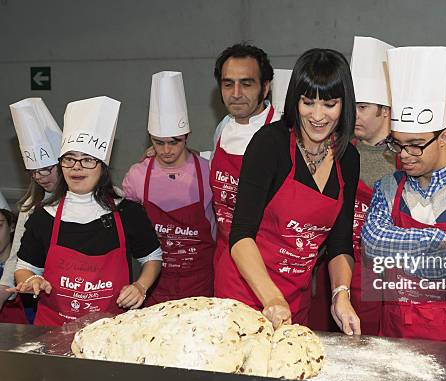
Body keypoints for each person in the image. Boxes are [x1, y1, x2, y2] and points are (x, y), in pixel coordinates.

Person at [361, 46, 446, 380]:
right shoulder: (387, 186)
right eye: (398, 143)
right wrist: (439, 238)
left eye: (416, 144)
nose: (404, 155)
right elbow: (372, 244)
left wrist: (400, 251)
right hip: (395, 342)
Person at [215, 48, 361, 335]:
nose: (317, 116)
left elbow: (341, 242)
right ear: (295, 101)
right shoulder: (271, 144)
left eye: (329, 104)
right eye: (308, 103)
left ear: (345, 105)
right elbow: (241, 234)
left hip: (295, 296)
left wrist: (340, 294)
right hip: (246, 292)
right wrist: (270, 297)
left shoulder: (347, 158)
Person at [9, 96, 162, 327]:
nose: (77, 167)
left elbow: (152, 257)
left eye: (88, 160)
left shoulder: (127, 212)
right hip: (52, 331)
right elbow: (25, 267)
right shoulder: (43, 216)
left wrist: (140, 286)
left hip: (109, 332)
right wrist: (31, 280)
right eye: (69, 160)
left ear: (103, 166)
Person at [123, 71, 215, 305]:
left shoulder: (208, 171)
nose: (166, 150)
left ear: (187, 136)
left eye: (174, 142)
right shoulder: (137, 176)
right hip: (154, 285)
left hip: (201, 283)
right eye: (158, 142)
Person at [209, 44, 282, 293]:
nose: (236, 93)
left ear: (265, 86)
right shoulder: (222, 129)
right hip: (226, 263)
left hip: (270, 270)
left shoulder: (282, 133)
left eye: (247, 83)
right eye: (228, 84)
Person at [343, 36, 397, 335]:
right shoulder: (343, 153)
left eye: (362, 107)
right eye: (352, 107)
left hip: (392, 278)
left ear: (385, 111)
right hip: (349, 271)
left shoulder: (406, 159)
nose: (354, 115)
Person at [1, 98, 62, 323]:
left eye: (47, 169)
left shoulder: (89, 198)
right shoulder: (31, 207)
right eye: (33, 172)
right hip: (44, 296)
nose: (40, 177)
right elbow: (17, 256)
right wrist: (3, 289)